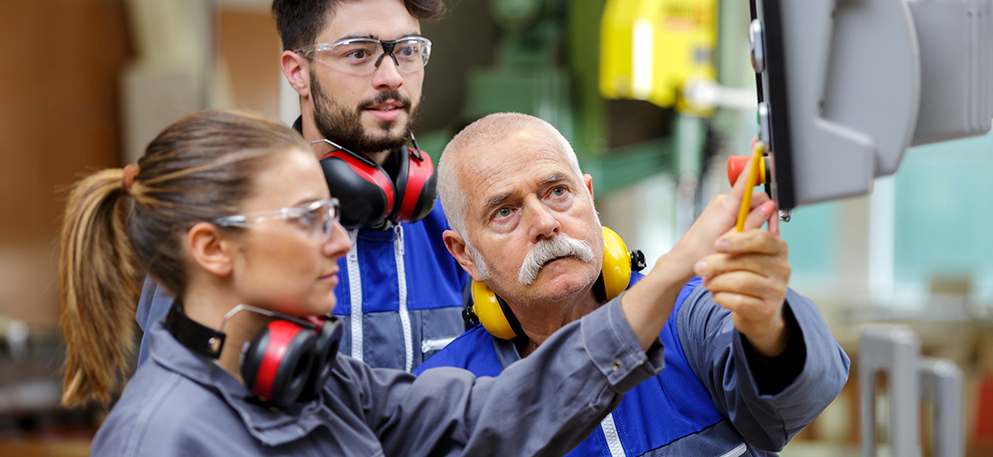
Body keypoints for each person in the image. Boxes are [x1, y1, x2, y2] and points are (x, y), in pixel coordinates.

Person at [58, 110, 744, 456]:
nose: (338, 243)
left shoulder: (322, 381)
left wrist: (676, 270)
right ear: (212, 248)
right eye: (308, 220)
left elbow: (499, 414)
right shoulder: (162, 437)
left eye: (331, 216)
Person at [415, 113, 851, 457]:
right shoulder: (446, 394)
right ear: (464, 254)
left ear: (589, 196)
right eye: (505, 211)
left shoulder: (691, 315)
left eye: (557, 191)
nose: (545, 223)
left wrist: (768, 328)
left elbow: (800, 397)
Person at [137, 0, 469, 371]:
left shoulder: (455, 230)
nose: (391, 77)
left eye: (407, 51)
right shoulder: (224, 234)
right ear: (298, 72)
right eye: (359, 53)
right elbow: (177, 395)